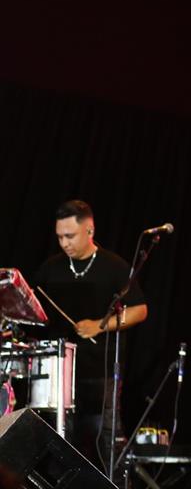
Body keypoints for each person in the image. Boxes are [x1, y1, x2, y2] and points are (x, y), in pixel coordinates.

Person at [32, 200, 148, 468]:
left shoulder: (114, 266)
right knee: (59, 437)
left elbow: (140, 310)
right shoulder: (51, 267)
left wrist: (100, 325)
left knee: (103, 437)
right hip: (58, 371)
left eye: (70, 236)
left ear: (90, 230)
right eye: (60, 237)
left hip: (100, 369)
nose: (64, 243)